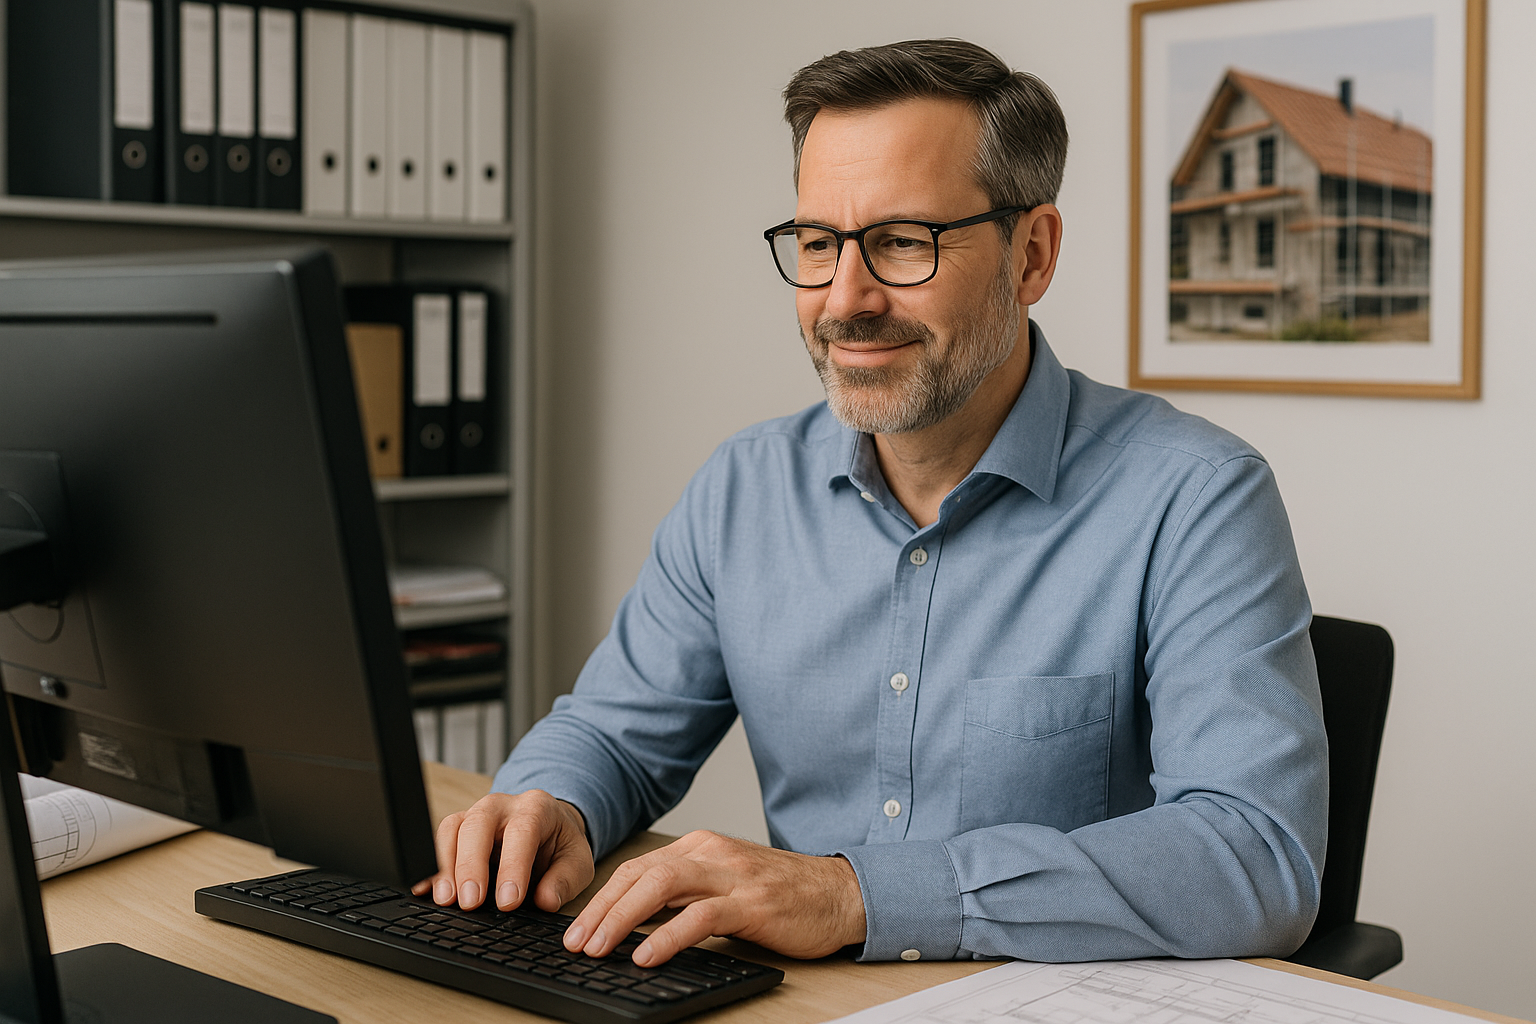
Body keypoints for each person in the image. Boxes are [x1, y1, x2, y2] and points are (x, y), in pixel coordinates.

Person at [413, 38, 1327, 969]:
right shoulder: (743, 489)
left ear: (1033, 256)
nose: (845, 299)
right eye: (817, 244)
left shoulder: (1196, 496)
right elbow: (613, 731)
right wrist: (548, 802)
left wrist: (855, 895)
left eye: (901, 242)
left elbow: (1254, 855)